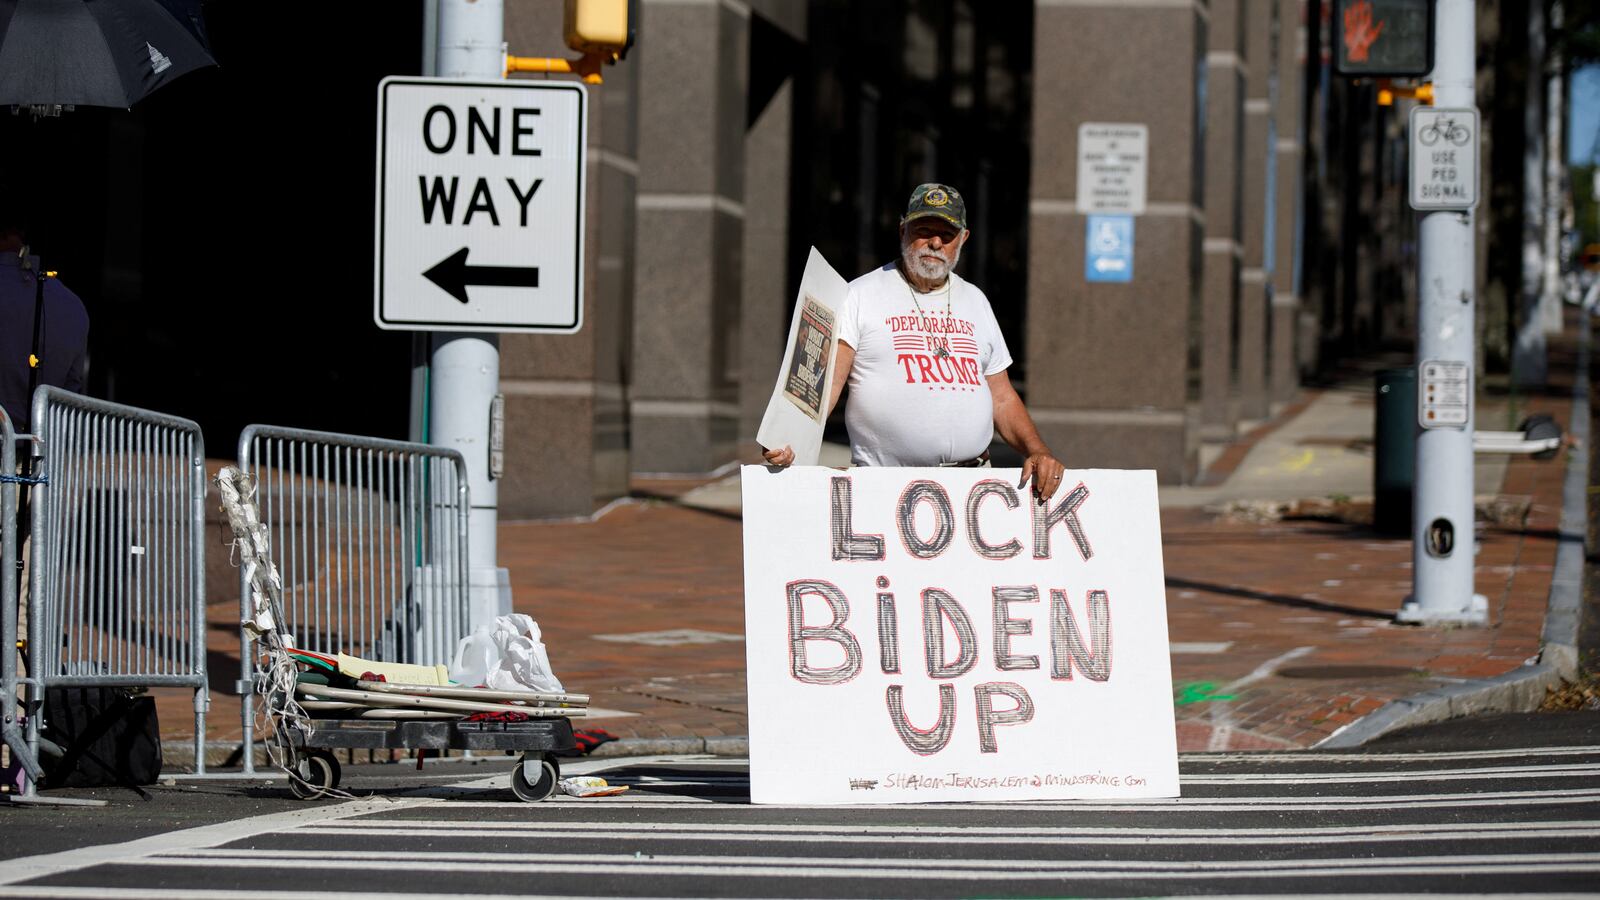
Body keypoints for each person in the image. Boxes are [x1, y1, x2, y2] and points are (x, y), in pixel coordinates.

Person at [763, 182, 1066, 503]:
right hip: (887, 486)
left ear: (963, 239)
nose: (935, 242)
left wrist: (1037, 450)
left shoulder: (976, 301)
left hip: (973, 486)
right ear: (902, 230)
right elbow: (824, 387)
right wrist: (786, 435)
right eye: (923, 229)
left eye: (946, 235)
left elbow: (1002, 397)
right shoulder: (859, 295)